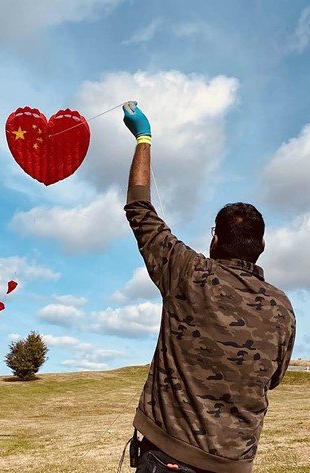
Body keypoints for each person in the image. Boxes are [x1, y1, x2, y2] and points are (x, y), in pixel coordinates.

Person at [122, 101, 296, 473]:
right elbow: (274, 378)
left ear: (215, 241)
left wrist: (144, 138)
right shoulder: (282, 307)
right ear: (261, 247)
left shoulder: (189, 273)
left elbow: (139, 207)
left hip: (168, 461)